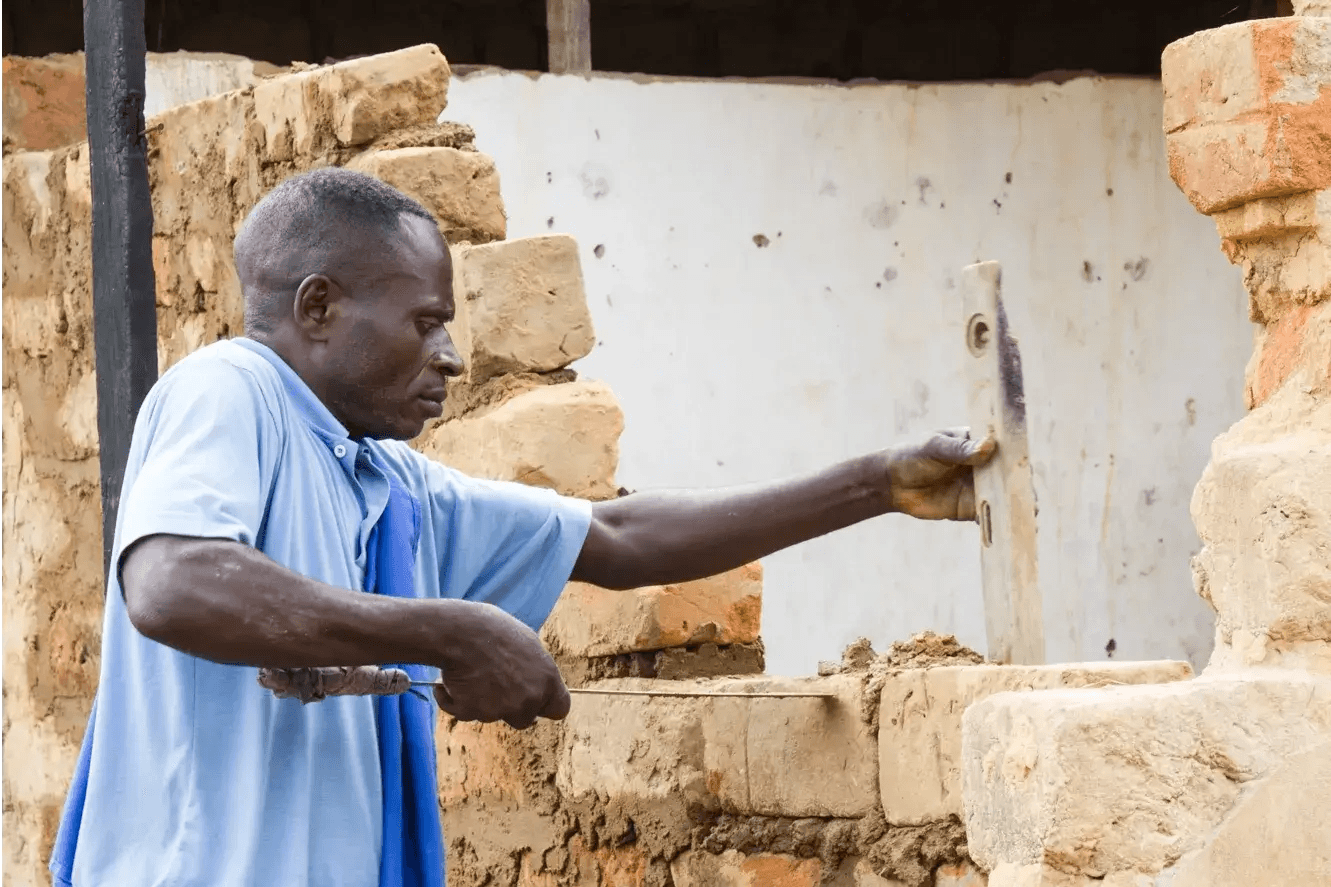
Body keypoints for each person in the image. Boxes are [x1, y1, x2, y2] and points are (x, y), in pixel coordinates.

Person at [50, 167, 995, 887]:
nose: (450, 356)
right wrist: (446, 629)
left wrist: (875, 485)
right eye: (425, 321)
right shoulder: (229, 389)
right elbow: (172, 582)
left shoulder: (385, 483)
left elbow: (618, 540)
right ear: (318, 307)